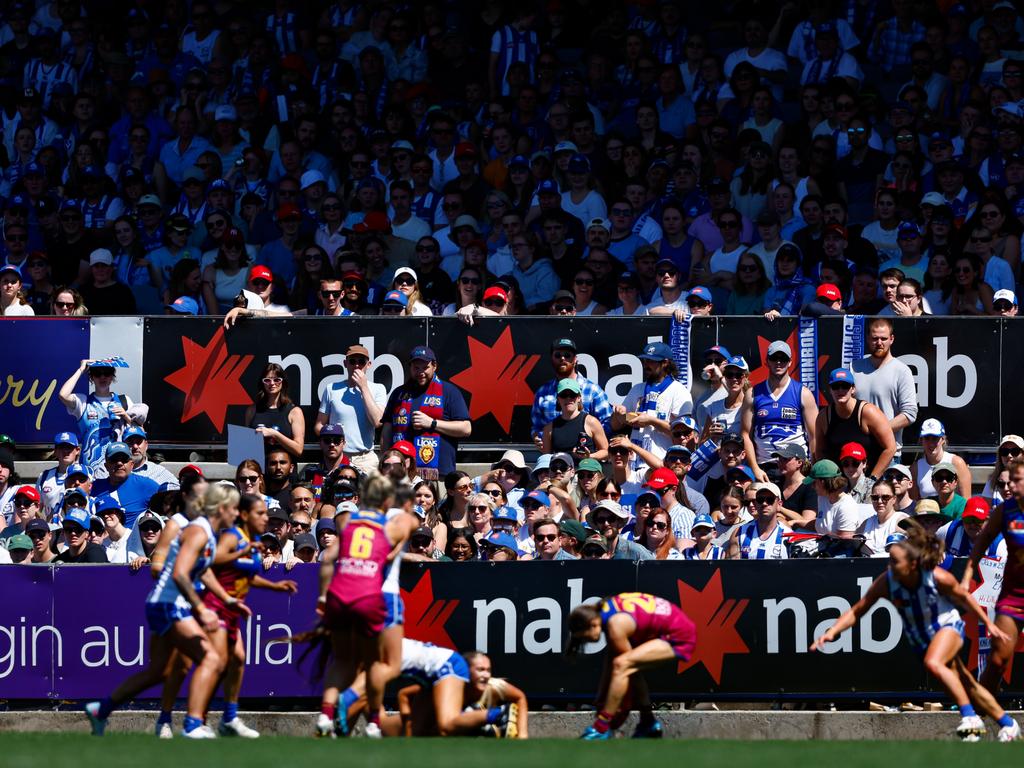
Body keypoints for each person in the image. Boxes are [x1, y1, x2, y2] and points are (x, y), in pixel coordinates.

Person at [815, 523, 1019, 743]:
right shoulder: (887, 582)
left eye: (895, 561)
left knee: (934, 664)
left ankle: (970, 717)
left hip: (948, 627)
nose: (889, 565)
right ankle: (1008, 724)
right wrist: (833, 630)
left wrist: (988, 623)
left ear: (912, 564)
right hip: (923, 639)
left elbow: (965, 597)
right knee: (965, 682)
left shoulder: (937, 577)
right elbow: (858, 610)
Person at [83, 484, 247, 738]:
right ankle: (192, 725)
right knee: (212, 659)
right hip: (170, 605)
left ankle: (101, 709)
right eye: (234, 508)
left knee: (158, 672)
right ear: (222, 508)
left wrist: (226, 599)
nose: (237, 514)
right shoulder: (199, 531)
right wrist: (202, 609)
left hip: (162, 604)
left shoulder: (206, 531)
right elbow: (181, 573)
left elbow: (202, 570)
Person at [161, 494, 298, 739]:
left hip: (232, 608)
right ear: (244, 515)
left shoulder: (253, 539)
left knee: (237, 660)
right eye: (260, 513)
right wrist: (243, 551)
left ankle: (228, 717)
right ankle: (195, 722)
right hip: (214, 606)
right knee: (216, 663)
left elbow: (247, 575)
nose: (265, 518)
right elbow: (212, 561)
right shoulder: (232, 537)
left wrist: (275, 586)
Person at [314, 473, 418, 738]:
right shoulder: (394, 521)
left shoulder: (350, 522)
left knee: (344, 661)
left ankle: (328, 713)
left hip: (341, 591)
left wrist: (323, 596)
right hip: (377, 595)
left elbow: (329, 558)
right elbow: (398, 541)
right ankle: (369, 716)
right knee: (382, 664)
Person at [568, 593, 697, 739]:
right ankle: (648, 722)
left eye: (584, 637)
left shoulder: (615, 625)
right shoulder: (608, 611)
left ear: (592, 624)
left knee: (623, 665)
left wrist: (613, 708)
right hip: (675, 629)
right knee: (626, 665)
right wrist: (602, 696)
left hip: (679, 636)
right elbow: (615, 664)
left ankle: (601, 728)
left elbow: (622, 668)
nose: (587, 641)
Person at [382, 346, 471, 480]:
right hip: (400, 473)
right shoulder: (398, 393)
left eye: (425, 367)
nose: (420, 372)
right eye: (416, 368)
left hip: (438, 474)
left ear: (434, 366)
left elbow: (466, 428)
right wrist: (384, 462)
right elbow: (387, 430)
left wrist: (432, 423)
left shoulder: (448, 391)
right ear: (410, 367)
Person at [740, 340, 818, 482]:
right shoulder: (752, 394)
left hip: (796, 466)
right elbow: (745, 434)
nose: (778, 362)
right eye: (774, 358)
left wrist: (812, 468)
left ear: (790, 362)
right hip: (765, 467)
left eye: (783, 359)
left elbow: (814, 436)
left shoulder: (803, 393)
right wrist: (755, 468)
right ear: (767, 361)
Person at [612, 341, 692, 469]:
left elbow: (685, 435)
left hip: (662, 463)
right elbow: (616, 425)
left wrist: (651, 421)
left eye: (651, 361)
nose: (646, 365)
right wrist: (619, 414)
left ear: (665, 363)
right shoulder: (637, 389)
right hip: (634, 465)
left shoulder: (679, 391)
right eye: (645, 361)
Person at [851, 318, 919, 457]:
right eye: (875, 338)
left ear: (891, 339)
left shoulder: (902, 371)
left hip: (889, 454)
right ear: (868, 339)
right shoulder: (854, 368)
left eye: (884, 338)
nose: (879, 343)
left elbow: (910, 414)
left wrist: (879, 429)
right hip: (857, 455)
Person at [814, 367, 896, 481]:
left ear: (853, 389)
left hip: (869, 479)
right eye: (836, 386)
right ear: (830, 390)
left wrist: (872, 480)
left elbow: (890, 447)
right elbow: (820, 451)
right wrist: (829, 479)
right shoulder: (824, 416)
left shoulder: (868, 412)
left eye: (845, 386)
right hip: (839, 484)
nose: (840, 390)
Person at [58, 359, 139, 469]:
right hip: (89, 469)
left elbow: (139, 432)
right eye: (97, 374)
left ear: (112, 377)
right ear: (91, 378)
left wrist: (125, 416)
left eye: (106, 373)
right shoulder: (83, 401)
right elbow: (63, 395)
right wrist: (81, 370)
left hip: (118, 467)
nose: (102, 377)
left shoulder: (124, 401)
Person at [530, 337, 612, 445]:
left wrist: (589, 440)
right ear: (552, 358)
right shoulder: (542, 393)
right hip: (552, 457)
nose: (562, 358)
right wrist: (538, 437)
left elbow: (607, 424)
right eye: (558, 355)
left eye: (567, 355)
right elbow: (536, 427)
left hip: (585, 456)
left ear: (575, 359)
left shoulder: (593, 391)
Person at [244, 362, 305, 457]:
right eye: (267, 380)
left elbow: (298, 449)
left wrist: (274, 434)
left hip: (284, 470)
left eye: (277, 380)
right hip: (258, 469)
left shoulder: (294, 412)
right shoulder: (252, 410)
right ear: (262, 383)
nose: (272, 383)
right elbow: (246, 446)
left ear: (283, 382)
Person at [541, 378, 608, 461]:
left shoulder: (591, 422)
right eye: (564, 395)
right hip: (562, 472)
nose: (568, 399)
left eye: (572, 395)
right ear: (558, 399)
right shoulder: (549, 429)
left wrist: (589, 457)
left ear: (579, 398)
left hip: (585, 471)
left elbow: (606, 451)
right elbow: (546, 459)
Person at [726, 481, 790, 559]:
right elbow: (732, 568)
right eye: (760, 499)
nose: (764, 503)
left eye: (770, 499)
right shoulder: (739, 533)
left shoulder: (788, 535)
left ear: (779, 505)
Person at [912, 418, 972, 500]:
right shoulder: (915, 468)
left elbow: (966, 501)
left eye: (934, 438)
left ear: (943, 439)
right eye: (927, 438)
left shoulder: (957, 463)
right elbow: (915, 503)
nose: (931, 443)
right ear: (921, 440)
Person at [807, 459, 867, 539]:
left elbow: (845, 542)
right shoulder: (822, 497)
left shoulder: (846, 506)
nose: (812, 486)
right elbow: (821, 526)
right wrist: (795, 522)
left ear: (822, 482)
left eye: (814, 483)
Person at [858, 478, 910, 556]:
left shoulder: (901, 521)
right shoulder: (867, 523)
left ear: (894, 499)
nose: (879, 501)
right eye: (875, 498)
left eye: (885, 497)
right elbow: (853, 543)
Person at [36, 431, 81, 516]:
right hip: (51, 528)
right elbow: (36, 508)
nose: (65, 451)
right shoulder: (44, 476)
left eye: (69, 447)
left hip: (76, 528)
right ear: (55, 451)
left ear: (77, 450)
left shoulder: (86, 474)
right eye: (61, 447)